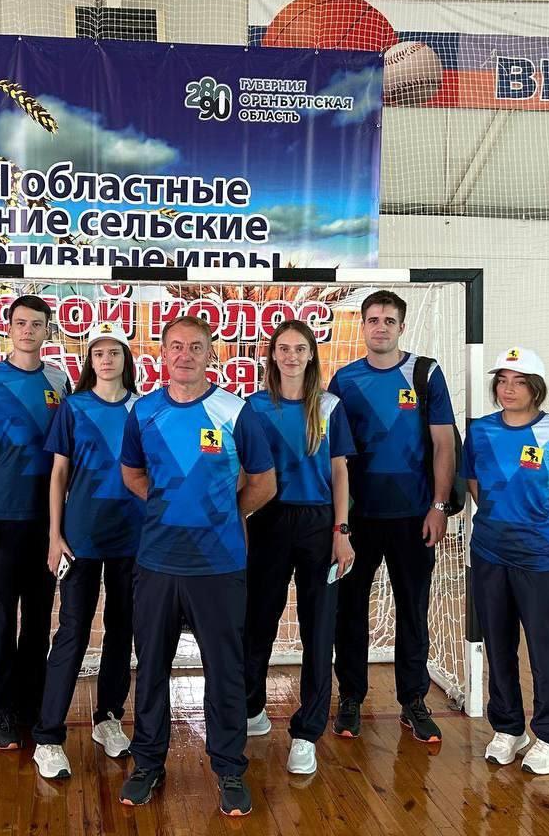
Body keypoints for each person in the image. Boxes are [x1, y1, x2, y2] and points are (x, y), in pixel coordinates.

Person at [118, 315, 275, 817]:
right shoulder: (143, 412)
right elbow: (132, 474)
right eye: (176, 346)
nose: (185, 355)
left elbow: (264, 482)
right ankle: (147, 763)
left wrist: (225, 514)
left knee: (225, 670)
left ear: (211, 354)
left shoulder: (235, 411)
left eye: (195, 347)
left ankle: (229, 768)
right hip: (158, 562)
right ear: (162, 354)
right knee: (151, 669)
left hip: (219, 564)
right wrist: (170, 508)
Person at [328, 289, 456, 743]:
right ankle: (350, 697)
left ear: (402, 326)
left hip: (414, 516)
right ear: (362, 326)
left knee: (413, 610)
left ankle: (413, 701)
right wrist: (339, 524)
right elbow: (334, 457)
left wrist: (439, 506)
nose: (380, 327)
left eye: (389, 320)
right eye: (373, 319)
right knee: (349, 611)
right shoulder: (344, 380)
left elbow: (444, 444)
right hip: (359, 519)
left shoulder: (425, 373)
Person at [464, 346, 549, 776]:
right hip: (488, 554)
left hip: (540, 561)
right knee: (498, 646)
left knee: (546, 649)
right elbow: (474, 481)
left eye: (518, 382)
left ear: (535, 388)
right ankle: (508, 728)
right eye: (502, 381)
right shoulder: (480, 431)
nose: (508, 389)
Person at [242, 320, 355, 775]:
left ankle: (307, 733)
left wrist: (342, 530)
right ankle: (251, 709)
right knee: (258, 622)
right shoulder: (253, 407)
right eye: (284, 348)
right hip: (267, 521)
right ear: (273, 355)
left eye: (300, 348)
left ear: (311, 355)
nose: (291, 356)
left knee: (319, 628)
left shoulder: (329, 406)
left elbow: (340, 470)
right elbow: (243, 471)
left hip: (318, 524)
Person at [32, 323, 141, 780]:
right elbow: (58, 475)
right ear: (90, 361)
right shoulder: (73, 408)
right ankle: (48, 737)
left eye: (114, 352)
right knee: (73, 630)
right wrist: (54, 535)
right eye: (98, 353)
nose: (106, 360)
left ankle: (108, 718)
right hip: (82, 536)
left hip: (132, 537)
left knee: (122, 629)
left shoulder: (143, 408)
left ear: (126, 359)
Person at [0, 294, 71, 750]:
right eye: (21, 323)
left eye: (37, 324)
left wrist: (62, 525)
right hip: (3, 517)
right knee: (1, 618)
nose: (28, 330)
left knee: (40, 617)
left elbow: (67, 456)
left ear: (47, 330)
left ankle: (31, 703)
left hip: (47, 522)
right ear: (9, 328)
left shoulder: (59, 380)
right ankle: (1, 710)